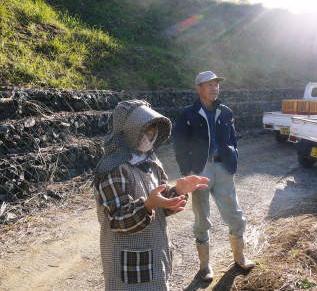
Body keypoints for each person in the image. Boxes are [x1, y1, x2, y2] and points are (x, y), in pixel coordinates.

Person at [93, 100, 209, 290]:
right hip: (127, 262)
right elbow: (118, 219)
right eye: (145, 130)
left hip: (155, 251)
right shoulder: (113, 168)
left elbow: (159, 203)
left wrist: (178, 191)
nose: (151, 135)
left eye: (153, 130)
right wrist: (148, 205)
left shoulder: (151, 162)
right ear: (128, 131)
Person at [173, 71, 255, 281]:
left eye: (216, 84)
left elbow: (232, 139)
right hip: (200, 170)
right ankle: (205, 267)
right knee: (202, 219)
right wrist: (187, 171)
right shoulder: (188, 113)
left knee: (235, 215)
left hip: (223, 169)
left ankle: (240, 258)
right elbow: (180, 144)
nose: (214, 88)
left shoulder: (225, 111)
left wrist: (233, 157)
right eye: (209, 84)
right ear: (198, 88)